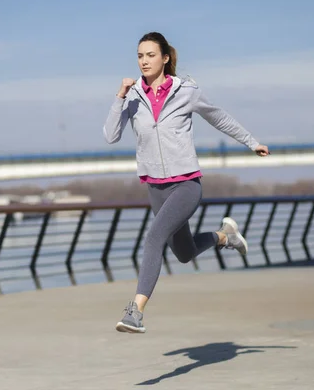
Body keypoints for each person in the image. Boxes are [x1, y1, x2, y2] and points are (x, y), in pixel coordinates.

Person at [103, 32, 270, 334]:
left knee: (154, 238)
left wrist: (251, 142)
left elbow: (218, 117)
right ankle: (225, 235)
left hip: (186, 185)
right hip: (155, 187)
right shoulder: (134, 97)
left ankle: (135, 312)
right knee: (184, 253)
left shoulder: (186, 91)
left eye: (150, 55)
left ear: (165, 58)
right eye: (140, 55)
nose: (144, 61)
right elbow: (110, 135)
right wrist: (119, 96)